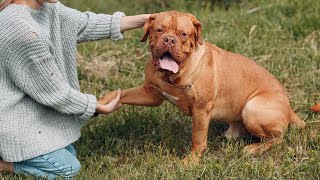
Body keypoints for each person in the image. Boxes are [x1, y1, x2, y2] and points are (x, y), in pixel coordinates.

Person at [0, 0, 150, 178]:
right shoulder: (20, 28)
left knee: (69, 152)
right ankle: (5, 165)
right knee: (67, 169)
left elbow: (85, 24)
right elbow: (54, 91)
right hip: (13, 121)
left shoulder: (47, 7)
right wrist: (94, 106)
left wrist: (145, 19)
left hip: (34, 111)